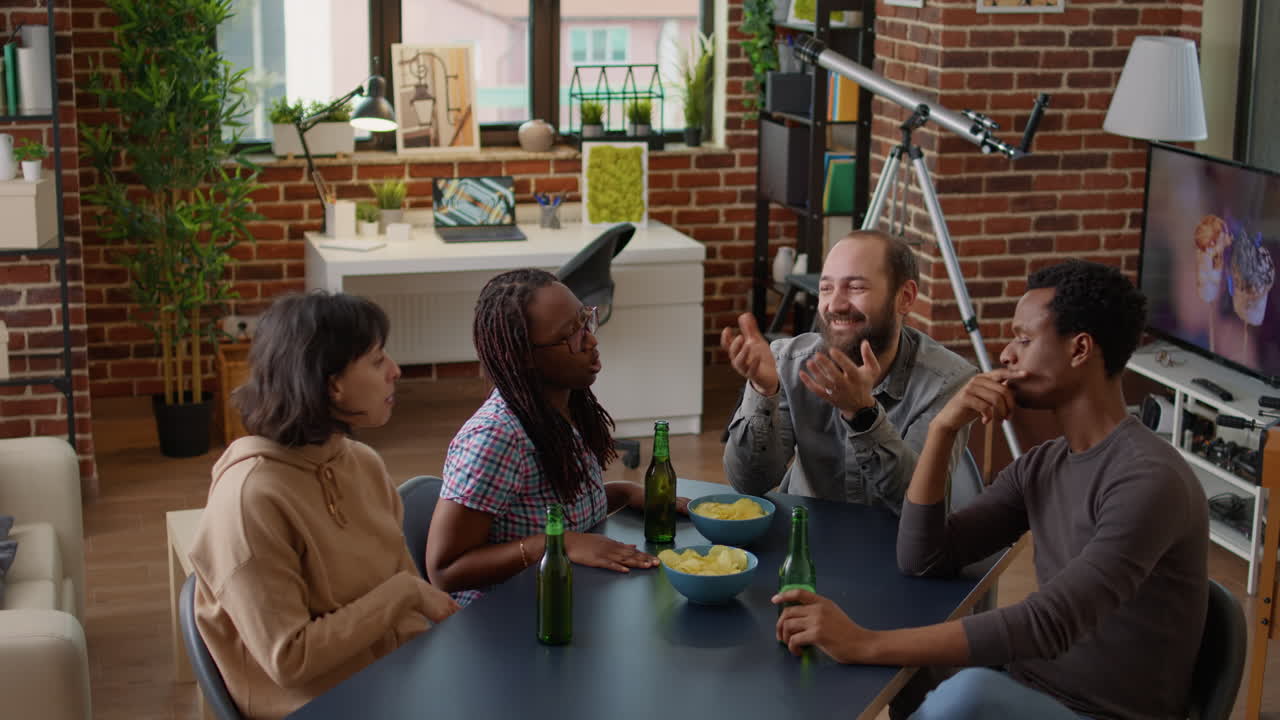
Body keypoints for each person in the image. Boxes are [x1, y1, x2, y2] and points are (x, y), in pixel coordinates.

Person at [774, 260, 1209, 720]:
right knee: (926, 671)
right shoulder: (1044, 465)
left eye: (1024, 339)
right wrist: (943, 429)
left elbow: (1049, 624)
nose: (1006, 355)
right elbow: (923, 557)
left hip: (1097, 713)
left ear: (1080, 349)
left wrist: (864, 644)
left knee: (968, 692)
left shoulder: (1148, 479)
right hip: (1029, 688)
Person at [188, 292, 459, 720]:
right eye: (377, 360)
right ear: (332, 384)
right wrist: (404, 593)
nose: (395, 370)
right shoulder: (249, 500)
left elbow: (407, 607)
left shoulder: (362, 463)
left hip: (396, 685)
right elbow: (290, 658)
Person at [427, 268, 682, 606]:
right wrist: (556, 543)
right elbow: (444, 570)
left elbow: (561, 512)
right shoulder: (495, 437)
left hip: (562, 596)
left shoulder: (564, 406)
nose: (591, 340)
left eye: (585, 320)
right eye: (571, 334)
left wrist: (625, 492)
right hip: (501, 617)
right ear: (525, 357)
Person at [722, 230, 976, 510]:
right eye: (826, 288)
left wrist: (863, 416)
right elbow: (748, 483)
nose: (835, 305)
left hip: (893, 538)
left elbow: (917, 506)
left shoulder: (949, 381)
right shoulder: (789, 362)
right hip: (805, 531)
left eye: (856, 288)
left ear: (905, 297)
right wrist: (763, 390)